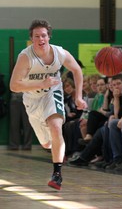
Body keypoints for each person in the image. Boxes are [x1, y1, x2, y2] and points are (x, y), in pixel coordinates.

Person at [9, 19, 87, 190]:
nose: (41, 39)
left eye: (43, 35)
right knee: (46, 143)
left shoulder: (59, 53)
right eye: (37, 36)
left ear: (49, 36)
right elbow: (14, 86)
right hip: (32, 99)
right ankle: (52, 145)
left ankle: (57, 174)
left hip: (52, 93)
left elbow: (77, 70)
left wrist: (79, 97)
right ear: (32, 39)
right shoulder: (25, 57)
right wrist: (41, 84)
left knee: (56, 127)